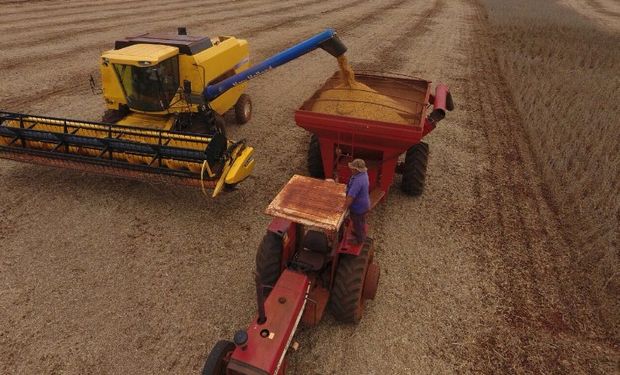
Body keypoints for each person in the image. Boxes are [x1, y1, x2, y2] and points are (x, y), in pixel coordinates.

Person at [344, 158, 370, 245]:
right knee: (361, 221)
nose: (351, 169)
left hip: (358, 208)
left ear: (356, 170)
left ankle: (359, 240)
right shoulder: (363, 175)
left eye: (352, 168)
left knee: (357, 222)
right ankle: (359, 233)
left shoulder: (358, 181)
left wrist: (344, 208)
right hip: (364, 204)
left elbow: (351, 197)